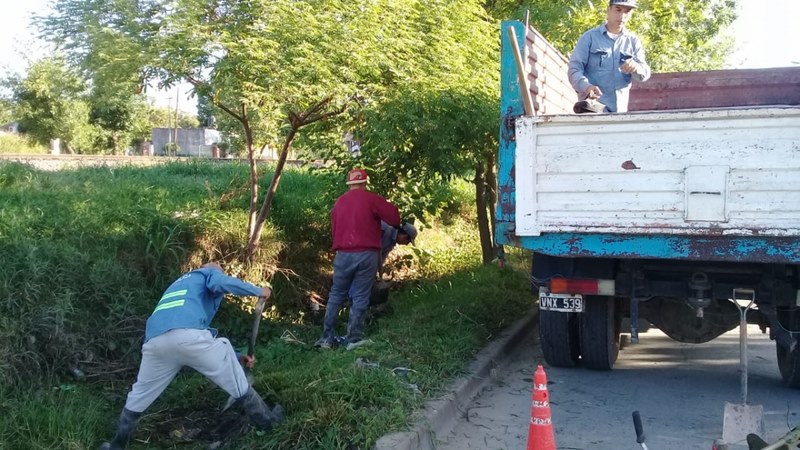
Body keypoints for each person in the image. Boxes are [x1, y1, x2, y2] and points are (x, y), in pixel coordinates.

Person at [100, 263, 283, 450]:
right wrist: (258, 290)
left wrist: (238, 357)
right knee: (232, 369)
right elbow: (220, 284)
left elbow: (189, 337)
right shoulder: (206, 274)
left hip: (155, 342)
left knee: (140, 394)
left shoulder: (181, 283)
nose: (220, 271)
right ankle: (268, 422)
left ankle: (116, 445)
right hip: (187, 336)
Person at [314, 168, 400, 350]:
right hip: (366, 254)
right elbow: (394, 218)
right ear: (364, 183)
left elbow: (335, 228)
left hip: (343, 254)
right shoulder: (371, 199)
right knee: (360, 295)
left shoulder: (339, 202)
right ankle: (353, 339)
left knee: (336, 294)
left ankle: (326, 339)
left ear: (350, 183)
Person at [568, 0, 651, 113]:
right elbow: (574, 70)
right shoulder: (589, 38)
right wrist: (586, 87)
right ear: (608, 10)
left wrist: (636, 67)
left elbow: (645, 74)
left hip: (620, 114)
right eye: (618, 10)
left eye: (627, 11)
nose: (622, 16)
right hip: (593, 111)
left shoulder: (633, 42)